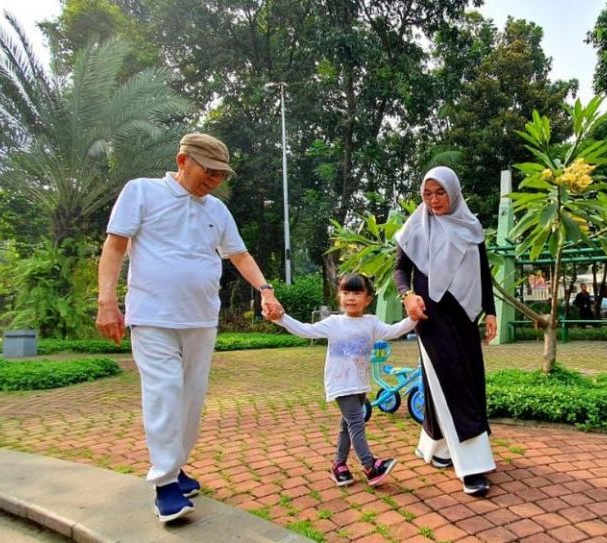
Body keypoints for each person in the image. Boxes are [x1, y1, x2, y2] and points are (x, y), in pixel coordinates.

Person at [95, 133, 284, 523]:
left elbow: (239, 254)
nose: (215, 180)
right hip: (153, 317)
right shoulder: (143, 192)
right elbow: (114, 246)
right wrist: (107, 301)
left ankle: (177, 467)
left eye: (221, 175)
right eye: (209, 171)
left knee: (190, 400)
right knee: (164, 394)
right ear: (183, 160)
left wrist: (265, 290)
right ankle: (165, 484)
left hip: (200, 318)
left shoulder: (216, 209)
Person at [393, 166, 497, 497]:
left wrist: (491, 311)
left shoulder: (470, 225)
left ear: (453, 192)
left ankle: (436, 448)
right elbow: (400, 269)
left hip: (465, 316)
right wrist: (407, 295)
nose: (434, 200)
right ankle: (472, 466)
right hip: (431, 316)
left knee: (464, 380)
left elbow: (482, 271)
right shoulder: (416, 226)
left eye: (441, 193)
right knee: (451, 382)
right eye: (427, 194)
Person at [270, 273, 415, 487]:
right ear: (339, 296)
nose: (350, 297)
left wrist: (414, 317)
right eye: (346, 292)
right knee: (356, 422)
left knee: (347, 425)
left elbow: (394, 331)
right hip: (341, 383)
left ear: (367, 299)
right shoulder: (334, 323)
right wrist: (281, 318)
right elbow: (305, 330)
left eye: (357, 293)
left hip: (360, 382)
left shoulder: (371, 323)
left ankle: (339, 466)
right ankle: (370, 466)